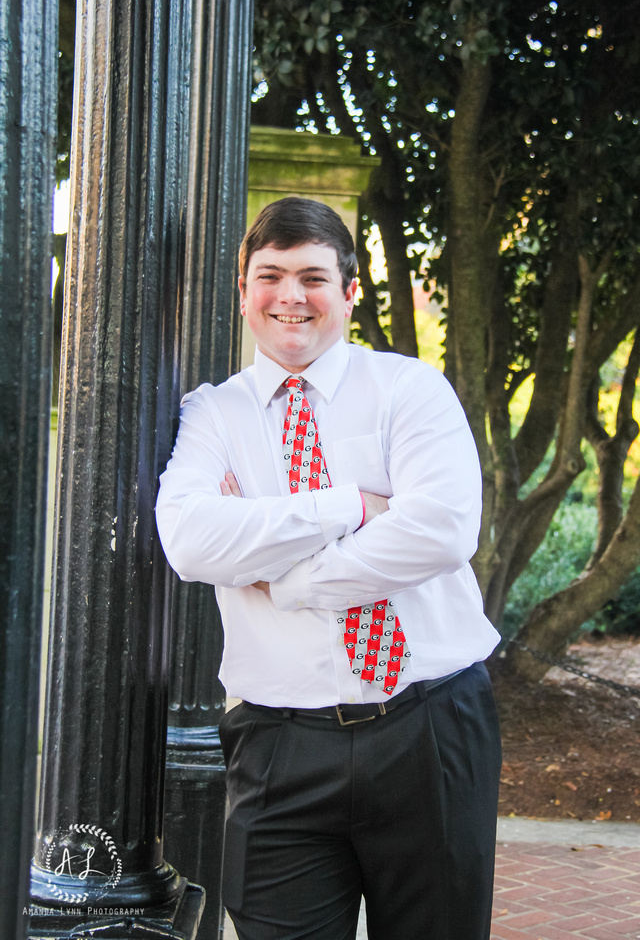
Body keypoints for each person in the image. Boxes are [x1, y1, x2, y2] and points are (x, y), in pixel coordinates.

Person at [156, 196, 502, 940]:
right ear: (243, 292)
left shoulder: (410, 390)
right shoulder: (211, 415)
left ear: (349, 291)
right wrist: (351, 504)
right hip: (279, 744)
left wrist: (283, 578)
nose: (290, 297)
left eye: (312, 276)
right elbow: (190, 541)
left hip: (431, 725)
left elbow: (440, 530)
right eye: (270, 275)